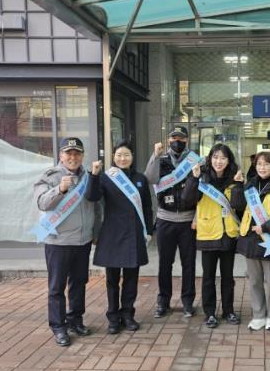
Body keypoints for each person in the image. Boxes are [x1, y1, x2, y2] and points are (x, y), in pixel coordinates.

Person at [33, 137, 100, 347]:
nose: (73, 157)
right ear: (61, 155)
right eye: (68, 153)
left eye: (77, 153)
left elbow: (96, 206)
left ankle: (75, 320)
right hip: (58, 242)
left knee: (79, 283)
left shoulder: (88, 177)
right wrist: (60, 190)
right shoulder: (50, 176)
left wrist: (95, 232)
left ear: (82, 156)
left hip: (82, 241)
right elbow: (42, 203)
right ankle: (58, 327)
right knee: (57, 287)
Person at [85, 140, 153, 334]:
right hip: (112, 234)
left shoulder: (140, 179)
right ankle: (113, 317)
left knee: (131, 278)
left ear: (132, 157)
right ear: (113, 157)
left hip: (134, 234)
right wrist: (94, 175)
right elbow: (92, 196)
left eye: (126, 155)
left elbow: (147, 207)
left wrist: (148, 231)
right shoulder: (106, 177)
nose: (123, 158)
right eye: (119, 155)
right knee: (112, 280)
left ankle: (128, 315)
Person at [181, 143, 243, 328]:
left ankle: (228, 310)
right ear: (210, 159)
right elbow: (187, 200)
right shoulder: (201, 176)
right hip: (208, 233)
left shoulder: (235, 177)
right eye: (215, 157)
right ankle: (209, 313)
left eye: (223, 158)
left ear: (229, 160)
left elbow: (240, 205)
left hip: (228, 234)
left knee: (227, 277)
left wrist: (239, 185)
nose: (219, 161)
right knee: (208, 277)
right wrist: (194, 179)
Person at [233, 151, 270, 331]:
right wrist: (238, 185)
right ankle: (258, 315)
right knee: (254, 281)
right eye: (259, 164)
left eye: (266, 164)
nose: (262, 167)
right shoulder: (249, 185)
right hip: (250, 240)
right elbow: (238, 206)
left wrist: (265, 227)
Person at [145, 126, 198, 318]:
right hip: (165, 219)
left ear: (186, 140)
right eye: (174, 138)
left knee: (188, 264)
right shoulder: (161, 159)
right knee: (165, 264)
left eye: (181, 138)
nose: (177, 141)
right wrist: (155, 155)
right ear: (168, 140)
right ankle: (163, 301)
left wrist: (197, 216)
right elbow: (150, 178)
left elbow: (202, 190)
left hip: (187, 220)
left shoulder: (194, 160)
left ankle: (188, 302)